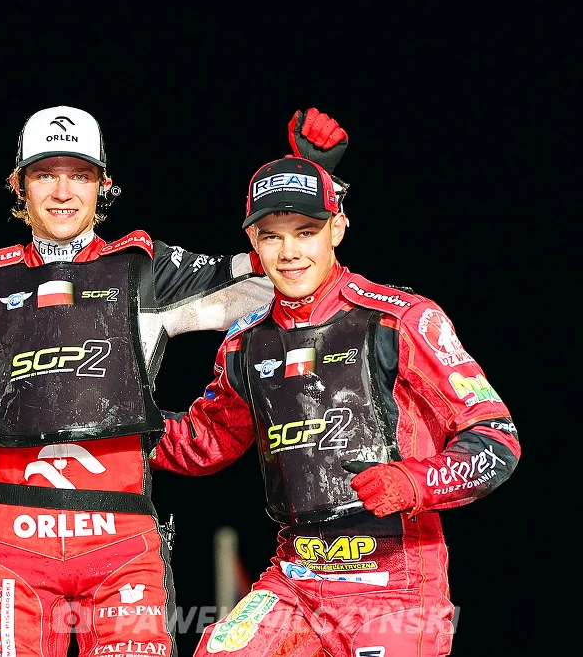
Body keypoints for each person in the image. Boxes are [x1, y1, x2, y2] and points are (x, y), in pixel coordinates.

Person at [0, 105, 349, 656]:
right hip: (14, 543)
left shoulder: (143, 267)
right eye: (45, 174)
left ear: (104, 183)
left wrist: (312, 183)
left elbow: (280, 274)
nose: (62, 192)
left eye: (80, 174)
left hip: (122, 543)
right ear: (19, 185)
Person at [153, 154, 521, 656]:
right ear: (253, 243)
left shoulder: (401, 320)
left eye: (305, 232)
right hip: (295, 578)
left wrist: (415, 481)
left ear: (338, 229)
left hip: (395, 585)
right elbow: (205, 442)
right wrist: (116, 423)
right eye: (272, 236)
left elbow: (497, 441)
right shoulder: (244, 343)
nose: (289, 252)